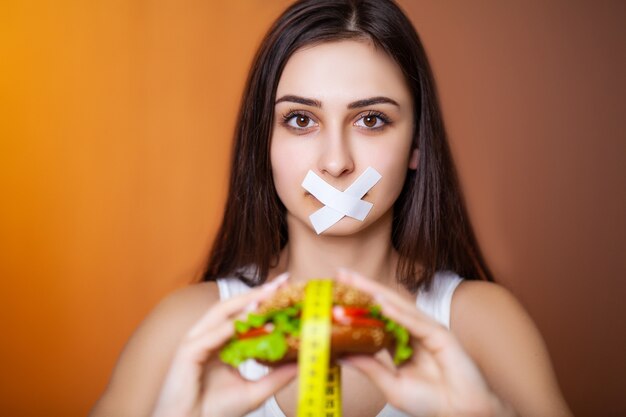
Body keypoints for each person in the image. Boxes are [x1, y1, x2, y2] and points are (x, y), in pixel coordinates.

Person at [89, 1, 573, 416]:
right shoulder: (184, 331)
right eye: (301, 119)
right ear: (264, 144)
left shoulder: (481, 324)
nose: (337, 162)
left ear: (416, 146)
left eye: (371, 119)